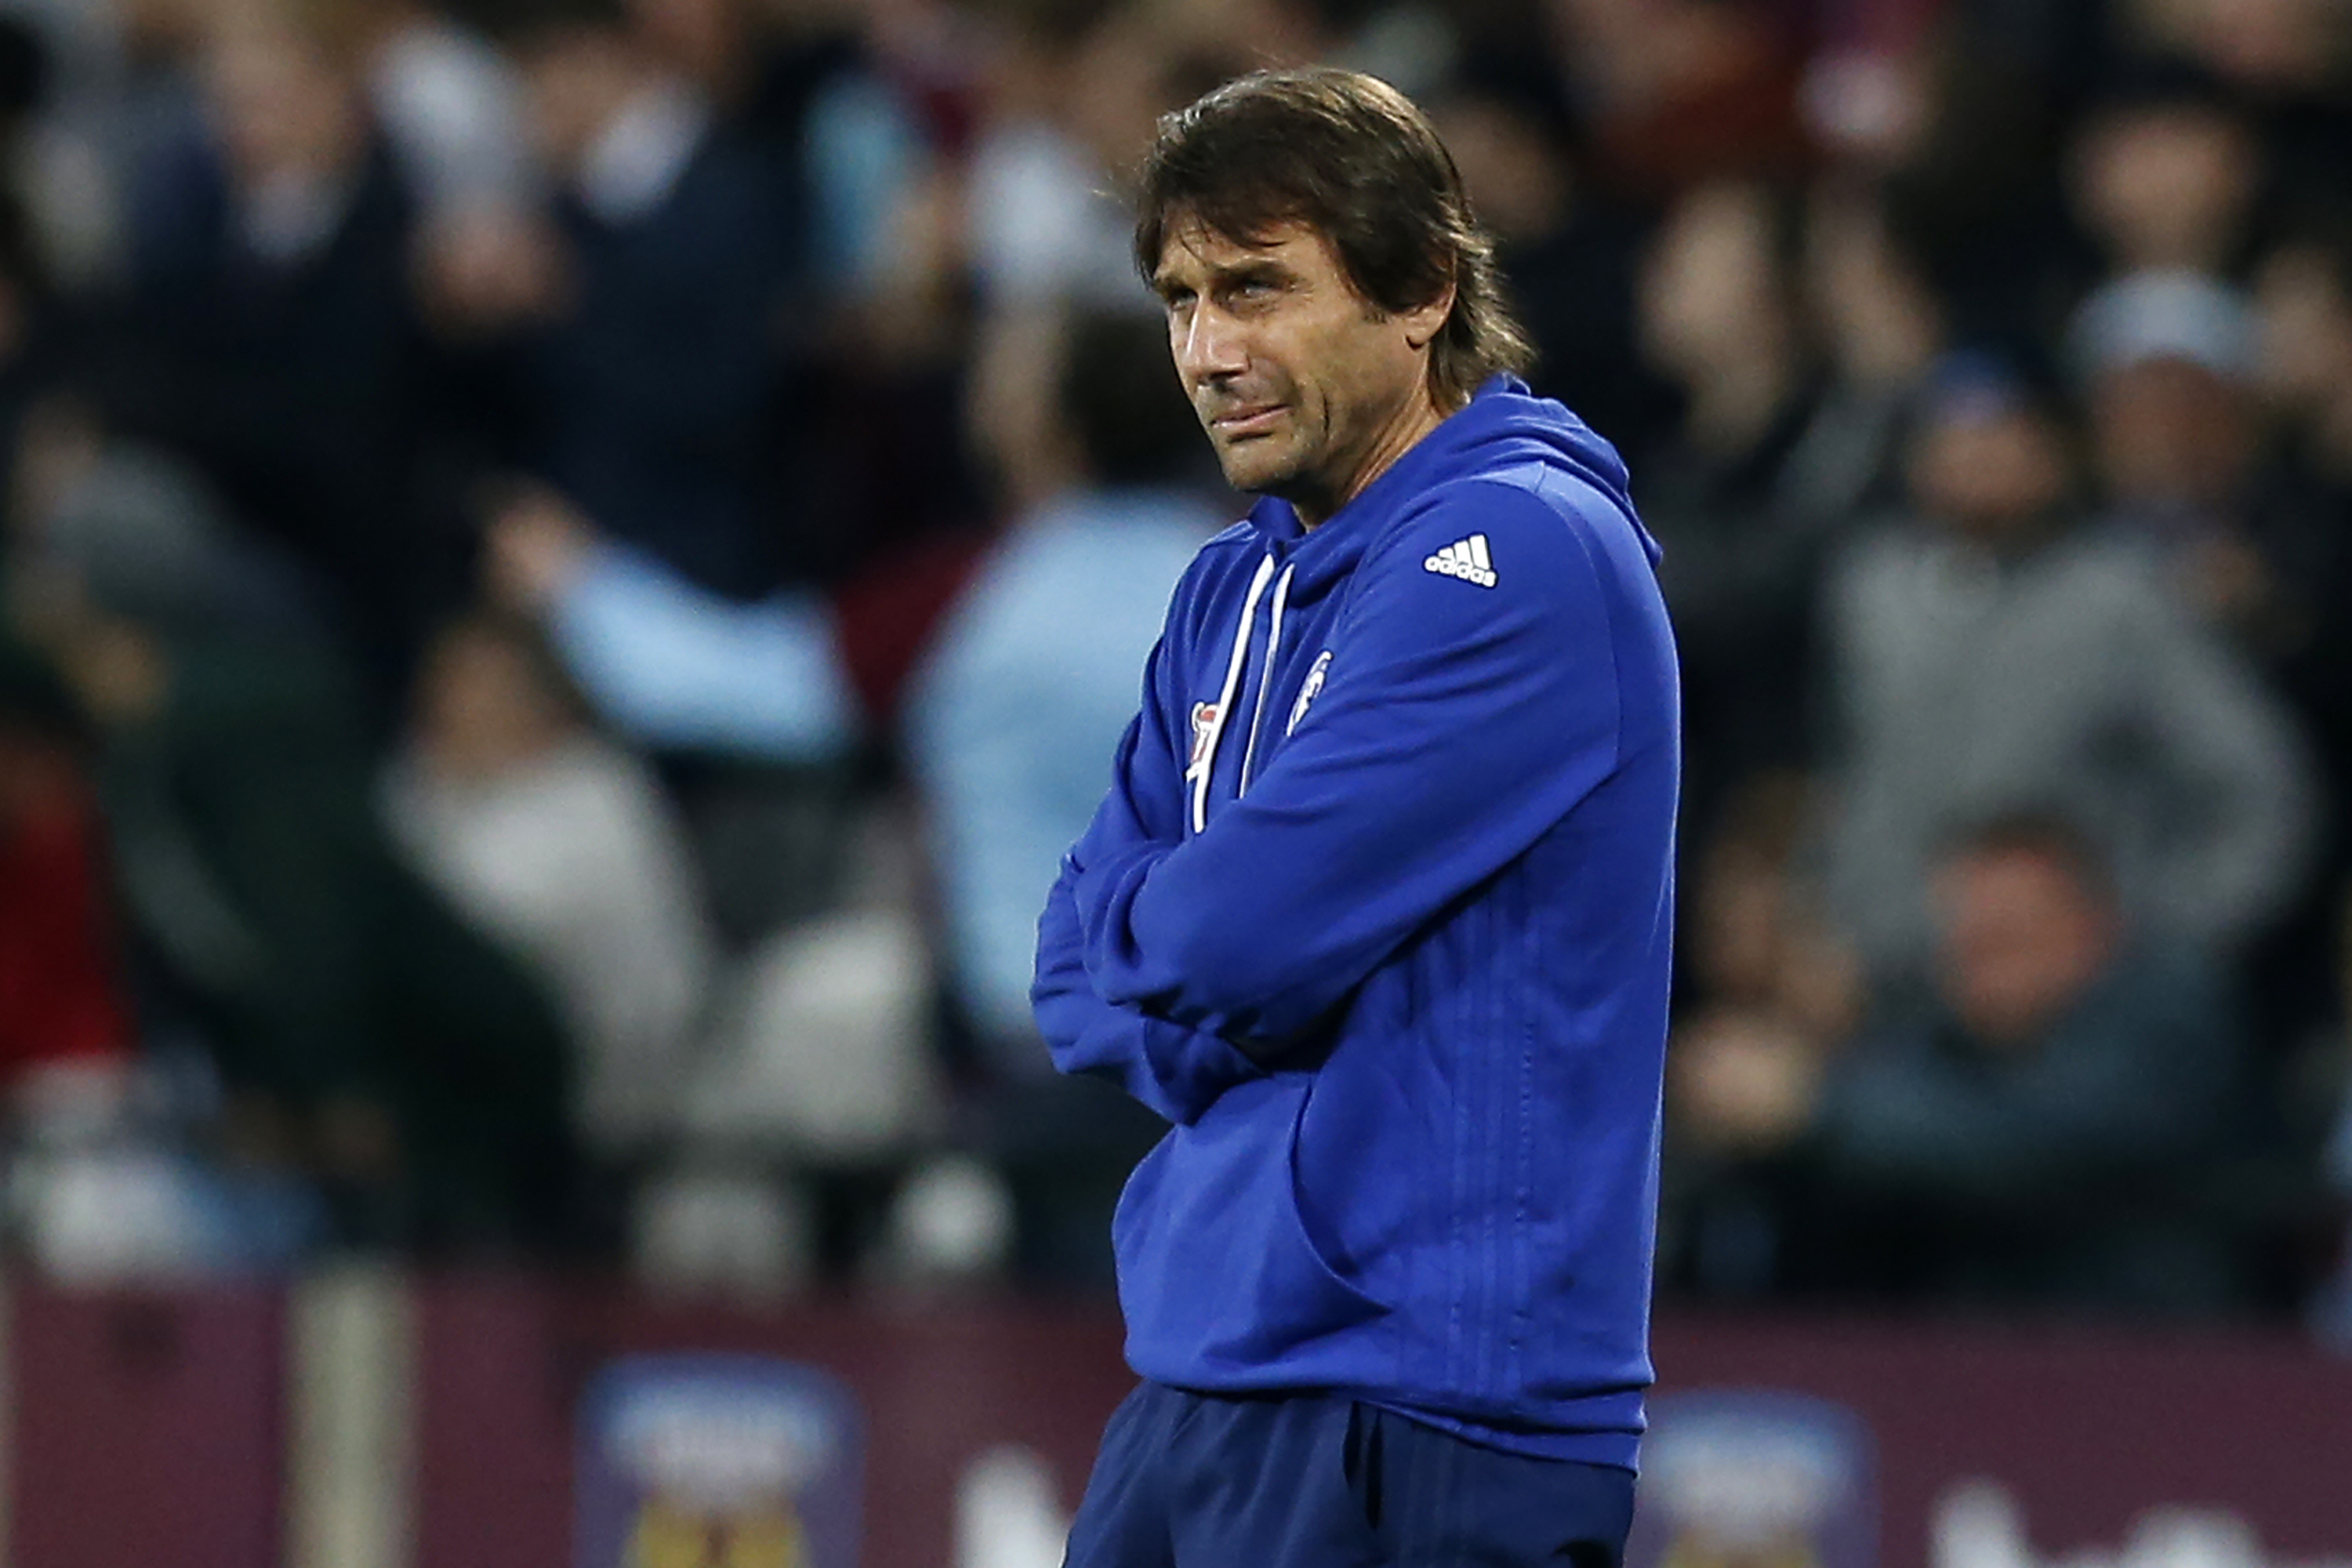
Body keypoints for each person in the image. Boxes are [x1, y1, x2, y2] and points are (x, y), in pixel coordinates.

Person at [1033, 68, 1679, 1568]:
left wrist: (1201, 959)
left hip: (1437, 1401)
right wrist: (1196, 957)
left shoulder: (1521, 553)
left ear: (1422, 290)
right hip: (1204, 1369)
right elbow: (1078, 969)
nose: (1208, 350)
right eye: (1183, 299)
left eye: (1258, 289)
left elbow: (1228, 932)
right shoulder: (1232, 582)